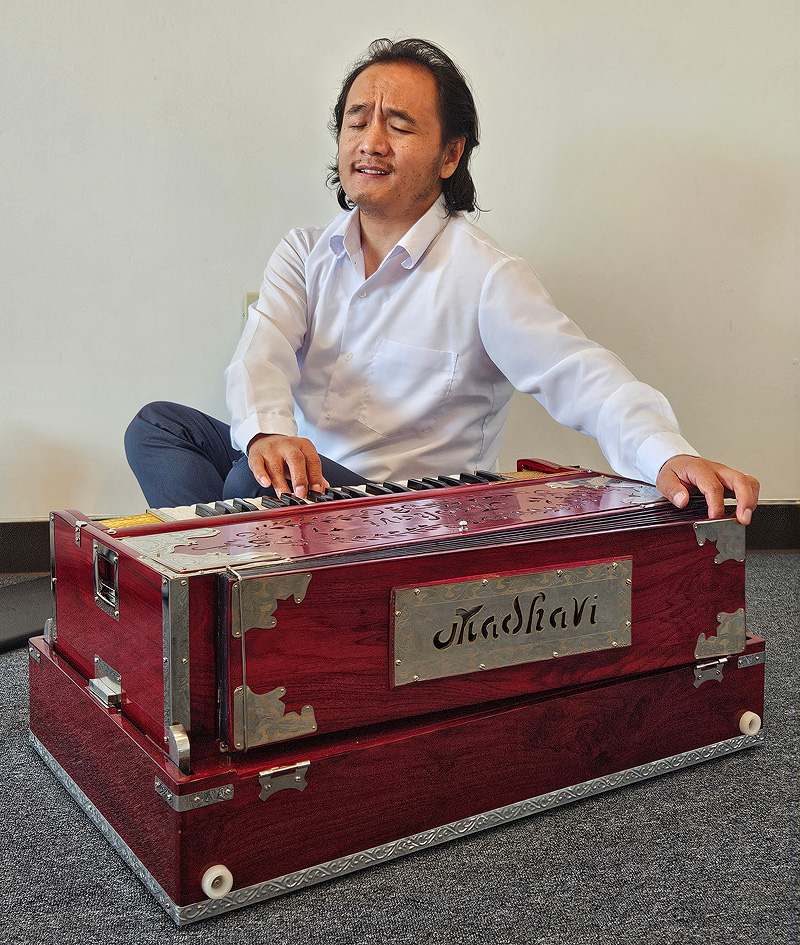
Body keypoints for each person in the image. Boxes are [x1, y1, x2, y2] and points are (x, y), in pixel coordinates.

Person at [126, 38, 759, 525]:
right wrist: (267, 434)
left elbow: (583, 377)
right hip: (304, 479)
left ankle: (198, 567)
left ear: (450, 155)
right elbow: (260, 355)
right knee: (159, 426)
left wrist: (667, 453)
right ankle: (218, 564)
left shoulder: (486, 275)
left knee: (249, 488)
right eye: (355, 120)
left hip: (402, 518)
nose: (369, 141)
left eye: (398, 125)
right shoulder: (304, 251)